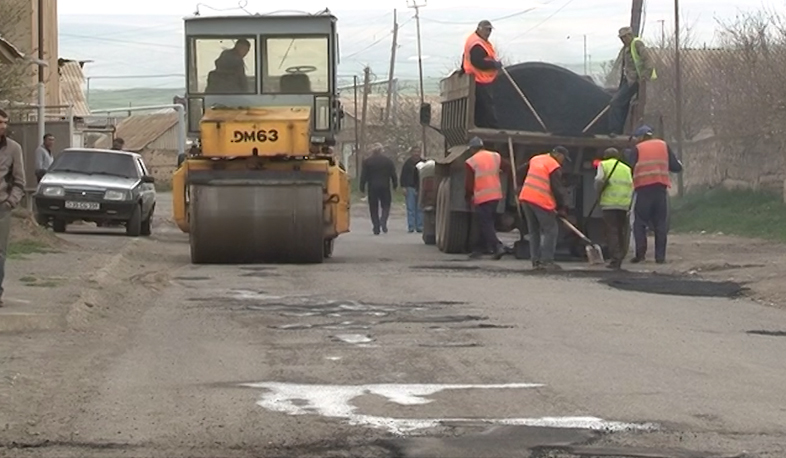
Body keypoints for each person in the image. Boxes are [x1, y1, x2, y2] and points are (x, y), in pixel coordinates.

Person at [627, 125, 683, 264]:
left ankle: (640, 255)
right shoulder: (663, 145)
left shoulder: (638, 149)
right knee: (660, 224)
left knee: (639, 223)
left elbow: (629, 167)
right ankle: (660, 257)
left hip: (643, 190)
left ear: (640, 137)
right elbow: (676, 167)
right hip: (660, 190)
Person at [518, 146, 570, 271]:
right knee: (551, 230)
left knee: (534, 231)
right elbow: (557, 188)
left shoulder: (536, 159)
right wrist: (563, 207)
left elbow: (519, 171)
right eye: (564, 158)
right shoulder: (553, 165)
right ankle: (547, 261)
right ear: (558, 155)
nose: (563, 161)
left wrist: (519, 185)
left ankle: (536, 261)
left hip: (526, 197)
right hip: (540, 200)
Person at [464, 137, 510, 259]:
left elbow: (469, 183)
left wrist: (468, 196)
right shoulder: (495, 156)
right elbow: (508, 167)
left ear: (473, 149)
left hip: (482, 196)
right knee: (486, 222)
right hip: (495, 195)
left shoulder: (471, 161)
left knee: (485, 222)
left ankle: (497, 246)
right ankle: (480, 248)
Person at [0, 108, 27, 307]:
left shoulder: (13, 149)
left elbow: (19, 181)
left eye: (4, 123)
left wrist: (11, 201)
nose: (2, 127)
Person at [609, 27, 656, 135]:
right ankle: (619, 131)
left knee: (615, 103)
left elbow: (648, 62)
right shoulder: (626, 48)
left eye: (625, 37)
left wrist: (643, 77)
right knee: (623, 104)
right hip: (627, 80)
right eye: (621, 38)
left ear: (630, 35)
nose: (623, 39)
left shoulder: (637, 44)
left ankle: (615, 131)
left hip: (634, 81)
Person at [594, 147, 633, 270]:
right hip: (624, 204)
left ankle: (615, 259)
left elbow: (599, 179)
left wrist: (598, 191)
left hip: (609, 203)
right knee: (621, 231)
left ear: (606, 156)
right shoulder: (626, 168)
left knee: (612, 230)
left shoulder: (603, 165)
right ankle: (620, 256)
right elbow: (631, 185)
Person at [462, 20, 503, 128]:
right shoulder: (477, 44)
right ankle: (492, 128)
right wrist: (493, 64)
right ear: (479, 29)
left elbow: (465, 58)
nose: (488, 33)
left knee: (480, 107)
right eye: (486, 30)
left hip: (477, 79)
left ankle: (484, 126)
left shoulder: (476, 41)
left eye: (490, 30)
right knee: (487, 106)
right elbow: (477, 62)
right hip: (479, 79)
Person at [359, 143, 397, 235]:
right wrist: (395, 184)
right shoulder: (388, 161)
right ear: (381, 150)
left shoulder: (367, 161)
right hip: (385, 186)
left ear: (372, 151)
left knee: (373, 207)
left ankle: (376, 226)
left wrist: (362, 187)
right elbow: (393, 174)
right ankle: (383, 220)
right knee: (386, 205)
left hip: (372, 187)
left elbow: (364, 175)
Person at [399, 145, 424, 233]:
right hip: (410, 188)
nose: (416, 154)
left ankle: (420, 226)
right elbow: (403, 176)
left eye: (418, 152)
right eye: (414, 152)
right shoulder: (407, 163)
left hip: (421, 188)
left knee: (420, 208)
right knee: (410, 208)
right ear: (411, 153)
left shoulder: (423, 163)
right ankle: (411, 226)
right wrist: (403, 187)